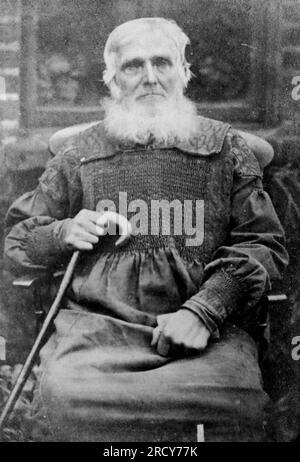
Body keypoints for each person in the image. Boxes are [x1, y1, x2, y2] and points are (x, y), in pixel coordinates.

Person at [4, 17, 288, 442]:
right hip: (96, 333)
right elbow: (20, 237)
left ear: (184, 73)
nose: (151, 78)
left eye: (163, 63)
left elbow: (261, 243)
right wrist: (64, 231)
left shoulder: (226, 149)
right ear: (112, 80)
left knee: (233, 402)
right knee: (67, 400)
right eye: (134, 66)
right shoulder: (80, 153)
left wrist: (204, 311)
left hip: (205, 334)